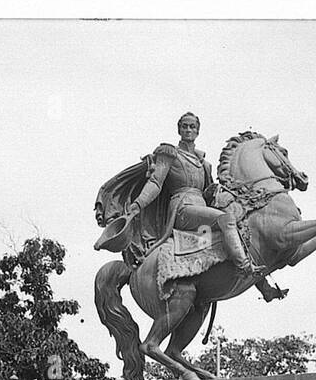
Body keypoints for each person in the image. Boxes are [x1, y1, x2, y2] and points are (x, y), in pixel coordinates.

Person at [96, 112, 260, 276]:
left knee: (243, 225)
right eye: (185, 126)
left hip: (201, 210)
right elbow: (155, 182)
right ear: (179, 130)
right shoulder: (170, 153)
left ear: (197, 131)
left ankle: (263, 285)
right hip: (182, 209)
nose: (188, 130)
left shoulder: (204, 164)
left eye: (192, 127)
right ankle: (245, 267)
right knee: (226, 220)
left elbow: (207, 194)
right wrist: (137, 205)